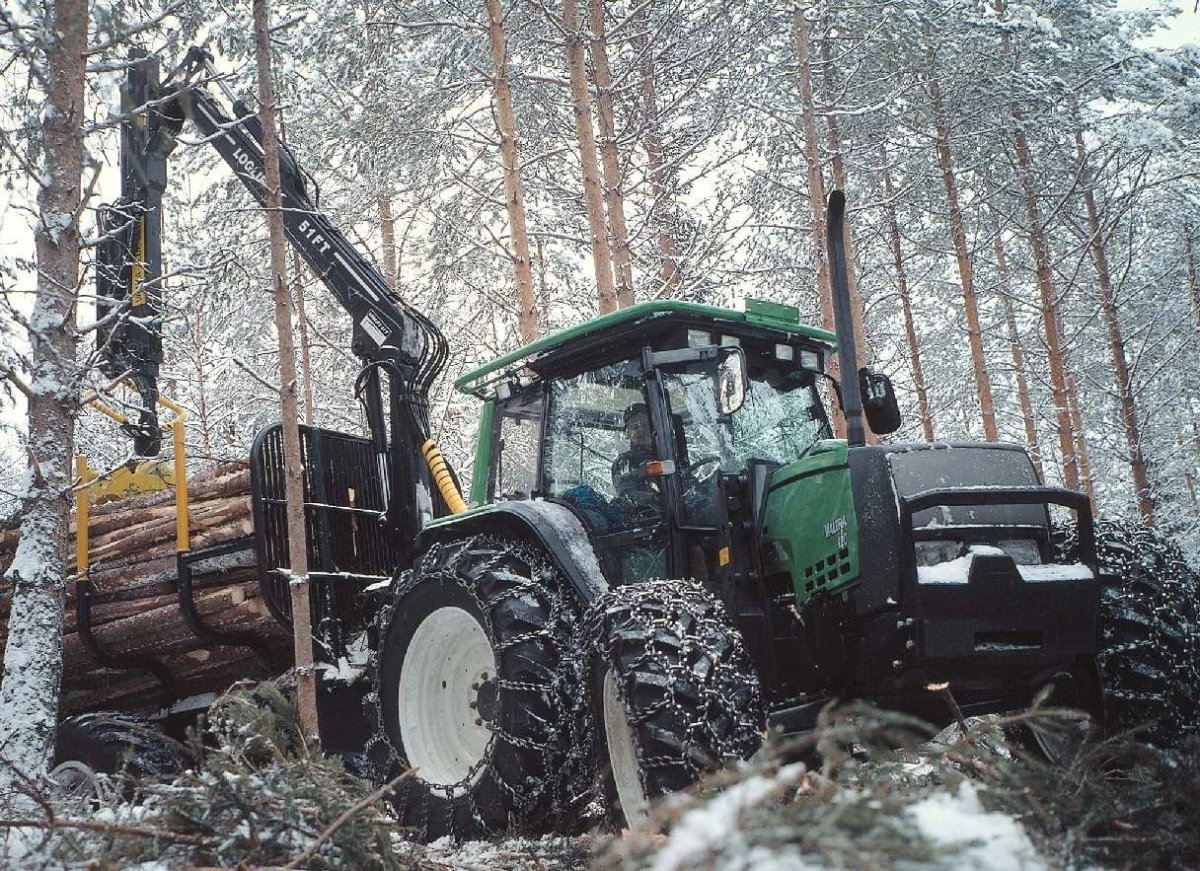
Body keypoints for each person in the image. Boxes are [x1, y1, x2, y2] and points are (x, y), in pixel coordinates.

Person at [612, 402, 657, 500]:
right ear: (628, 434)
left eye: (645, 425)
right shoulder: (624, 461)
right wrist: (653, 499)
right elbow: (626, 492)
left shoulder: (669, 453)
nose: (641, 430)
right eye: (635, 427)